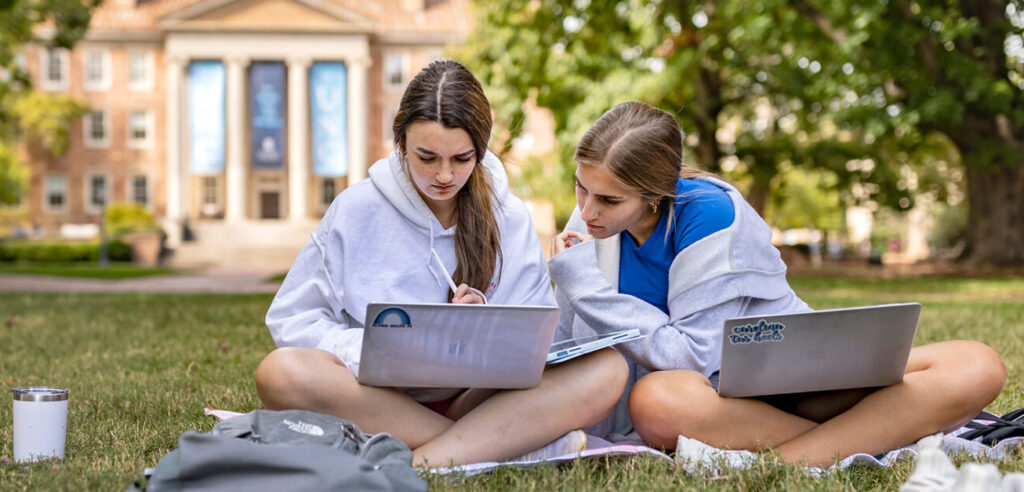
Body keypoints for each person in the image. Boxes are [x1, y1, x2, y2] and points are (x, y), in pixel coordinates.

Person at [548, 101, 1006, 467]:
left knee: (978, 363)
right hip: (718, 409)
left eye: (608, 199)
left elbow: (690, 355)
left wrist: (586, 286)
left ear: (656, 196)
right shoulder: (593, 226)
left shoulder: (709, 216)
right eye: (580, 188)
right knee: (656, 401)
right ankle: (872, 441)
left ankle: (797, 457)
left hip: (798, 378)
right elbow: (571, 346)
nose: (587, 211)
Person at [255, 60, 627, 467]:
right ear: (400, 144)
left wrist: (482, 324)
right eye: (427, 158)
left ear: (481, 151)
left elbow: (535, 334)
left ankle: (429, 455)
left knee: (608, 369)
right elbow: (293, 319)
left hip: (482, 400)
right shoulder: (356, 209)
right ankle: (488, 449)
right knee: (281, 372)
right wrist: (367, 345)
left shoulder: (510, 216)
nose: (445, 176)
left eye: (462, 159)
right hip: (380, 400)